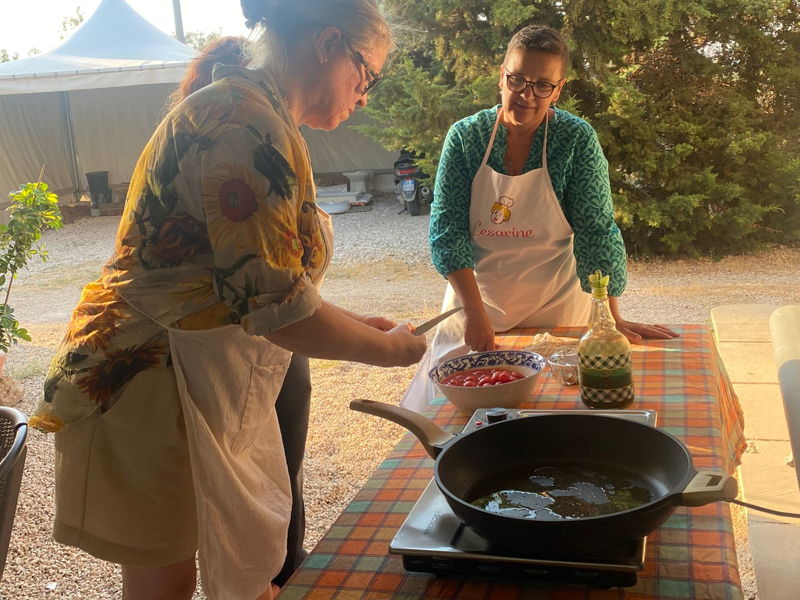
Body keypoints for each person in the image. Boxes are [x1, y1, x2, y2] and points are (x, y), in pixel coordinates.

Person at [30, 1, 424, 599]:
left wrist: (350, 321)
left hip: (197, 380)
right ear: (326, 45)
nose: (363, 95)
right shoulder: (243, 123)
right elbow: (274, 308)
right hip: (150, 383)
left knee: (224, 574)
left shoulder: (265, 116)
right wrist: (386, 350)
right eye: (365, 74)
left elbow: (272, 283)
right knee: (166, 585)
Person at [405, 25, 675, 410]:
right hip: (476, 305)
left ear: (558, 88)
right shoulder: (465, 138)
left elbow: (595, 230)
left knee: (555, 411)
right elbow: (447, 232)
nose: (526, 95)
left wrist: (610, 317)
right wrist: (475, 314)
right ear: (503, 75)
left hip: (557, 308)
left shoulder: (575, 139)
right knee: (458, 414)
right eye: (517, 80)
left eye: (541, 85)